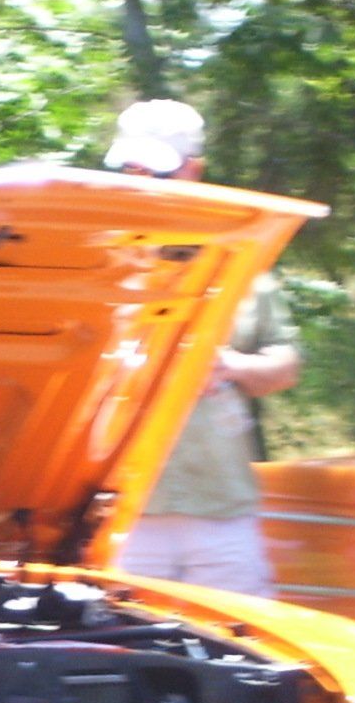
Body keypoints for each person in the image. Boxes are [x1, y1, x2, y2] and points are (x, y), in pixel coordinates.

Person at [104, 99, 301, 599]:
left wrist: (228, 366)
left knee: (242, 656)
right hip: (124, 512)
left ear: (194, 169)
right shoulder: (97, 258)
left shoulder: (240, 261)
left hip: (221, 511)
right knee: (128, 660)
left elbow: (287, 367)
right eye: (132, 167)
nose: (142, 180)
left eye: (158, 170)